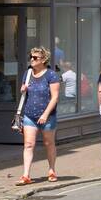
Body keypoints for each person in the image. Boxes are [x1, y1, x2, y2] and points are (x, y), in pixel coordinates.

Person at [15, 47, 61, 185]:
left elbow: (55, 98)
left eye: (35, 58)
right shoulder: (27, 73)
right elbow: (25, 91)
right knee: (28, 144)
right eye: (31, 57)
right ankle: (26, 175)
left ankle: (52, 170)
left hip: (48, 116)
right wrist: (22, 89)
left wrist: (45, 114)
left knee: (48, 143)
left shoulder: (51, 75)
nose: (32, 59)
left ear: (44, 60)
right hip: (30, 115)